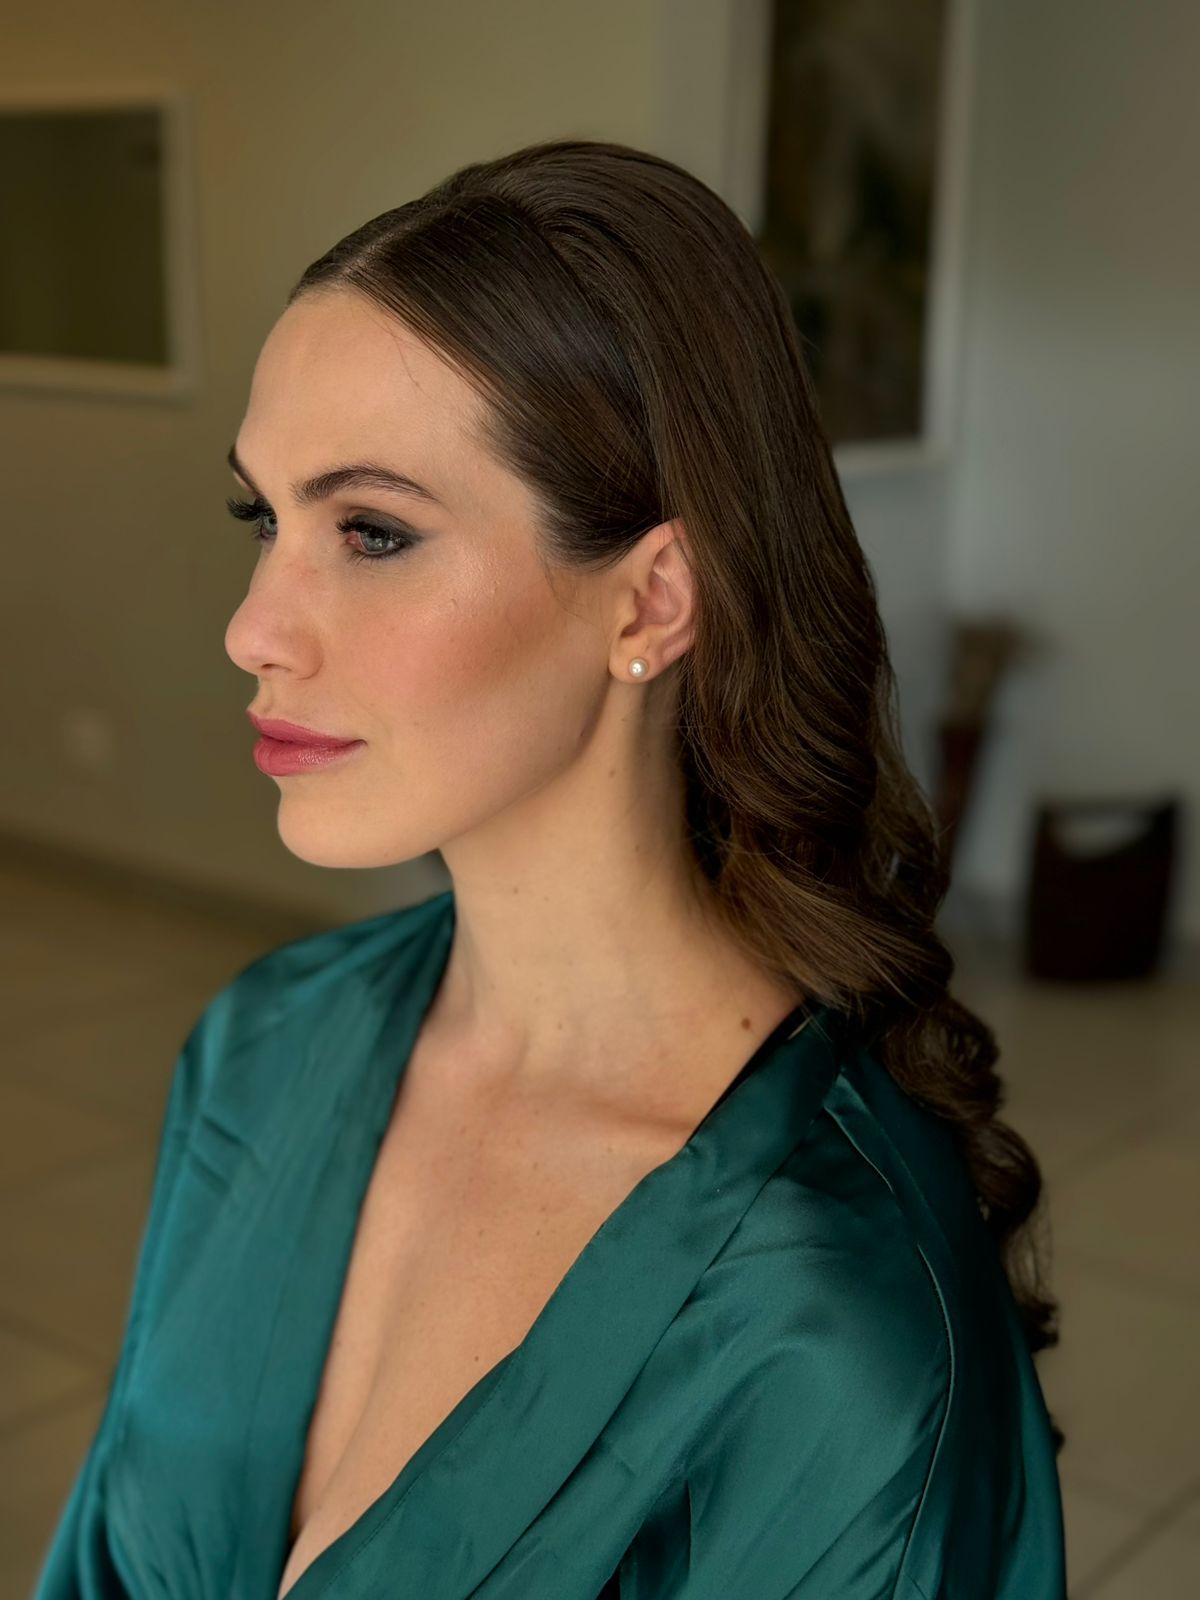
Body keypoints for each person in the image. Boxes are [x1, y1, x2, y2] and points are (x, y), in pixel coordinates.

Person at [33, 138, 1066, 1599]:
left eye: (371, 531)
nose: (254, 627)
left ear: (651, 600)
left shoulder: (830, 1329)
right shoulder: (263, 1050)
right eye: (265, 518)